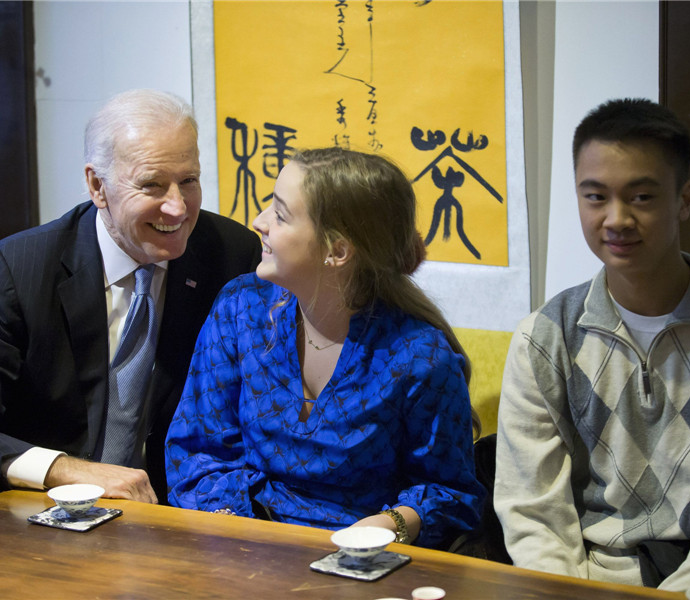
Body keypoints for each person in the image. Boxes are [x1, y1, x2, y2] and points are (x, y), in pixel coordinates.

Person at [494, 98, 690, 591]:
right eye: (595, 197)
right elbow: (532, 511)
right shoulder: (544, 338)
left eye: (641, 198)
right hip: (582, 579)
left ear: (684, 199)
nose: (615, 219)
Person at [0, 89, 261, 504]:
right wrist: (65, 471)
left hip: (175, 515)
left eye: (189, 181)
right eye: (151, 185)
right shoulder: (24, 268)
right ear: (97, 186)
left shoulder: (231, 255)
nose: (178, 208)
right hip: (47, 511)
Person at [165, 147, 484, 549]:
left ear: (337, 251)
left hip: (360, 560)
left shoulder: (419, 357)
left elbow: (450, 492)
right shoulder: (241, 308)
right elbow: (197, 450)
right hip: (242, 542)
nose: (258, 222)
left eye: (280, 215)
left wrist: (390, 526)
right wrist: (241, 539)